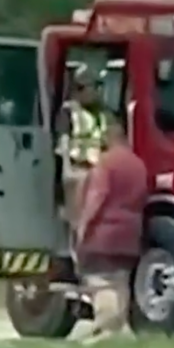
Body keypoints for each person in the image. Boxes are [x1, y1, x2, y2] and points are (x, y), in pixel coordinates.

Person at [74, 117, 147, 342]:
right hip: (131, 233)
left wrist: (83, 226)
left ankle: (106, 328)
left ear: (110, 137)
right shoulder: (139, 165)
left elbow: (98, 196)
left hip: (104, 233)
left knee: (100, 280)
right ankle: (121, 328)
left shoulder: (106, 163)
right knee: (121, 282)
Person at [55, 63, 109, 247]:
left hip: (98, 172)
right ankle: (77, 253)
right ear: (82, 87)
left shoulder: (102, 113)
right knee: (77, 221)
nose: (98, 91)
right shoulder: (69, 112)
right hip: (78, 170)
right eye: (95, 86)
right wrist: (67, 171)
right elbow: (63, 143)